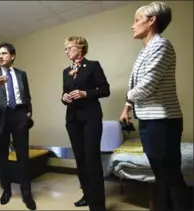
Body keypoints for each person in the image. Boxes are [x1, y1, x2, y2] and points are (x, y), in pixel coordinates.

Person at [120, 2, 191, 210]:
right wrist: (127, 105)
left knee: (170, 176)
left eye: (136, 20)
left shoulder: (161, 45)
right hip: (150, 120)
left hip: (162, 121)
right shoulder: (146, 50)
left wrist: (128, 98)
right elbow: (136, 85)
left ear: (152, 21)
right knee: (161, 174)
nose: (132, 26)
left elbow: (147, 85)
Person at [0, 43, 36, 210]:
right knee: (3, 157)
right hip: (0, 117)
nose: (0, 56)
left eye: (4, 53)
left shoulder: (22, 74)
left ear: (12, 56)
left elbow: (27, 96)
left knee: (23, 156)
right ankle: (6, 191)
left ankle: (27, 195)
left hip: (19, 115)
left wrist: (28, 113)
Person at [61, 36, 110, 211]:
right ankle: (87, 196)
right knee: (80, 160)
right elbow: (65, 94)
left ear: (80, 48)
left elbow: (105, 90)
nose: (66, 51)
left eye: (69, 48)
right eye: (65, 48)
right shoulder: (66, 70)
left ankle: (98, 206)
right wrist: (64, 98)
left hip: (91, 119)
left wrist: (85, 93)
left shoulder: (93, 66)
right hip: (72, 120)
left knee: (92, 160)